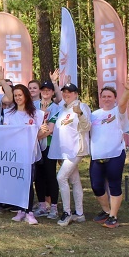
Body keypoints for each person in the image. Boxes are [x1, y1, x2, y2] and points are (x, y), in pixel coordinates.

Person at [89, 76, 129, 229]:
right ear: (100, 98)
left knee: (114, 185)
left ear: (114, 98)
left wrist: (127, 90)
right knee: (96, 186)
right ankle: (106, 211)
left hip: (115, 154)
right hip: (97, 156)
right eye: (104, 96)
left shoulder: (118, 112)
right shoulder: (94, 114)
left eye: (110, 96)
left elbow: (123, 104)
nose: (106, 99)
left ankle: (113, 216)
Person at [0, 81, 47, 225]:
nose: (18, 98)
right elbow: (6, 133)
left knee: (28, 182)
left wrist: (42, 131)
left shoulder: (37, 114)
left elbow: (40, 134)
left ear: (26, 96)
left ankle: (29, 212)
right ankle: (20, 210)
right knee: (18, 182)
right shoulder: (9, 113)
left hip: (30, 153)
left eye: (20, 95)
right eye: (15, 95)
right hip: (15, 153)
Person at [49, 83, 92, 226]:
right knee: (75, 180)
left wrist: (80, 114)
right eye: (64, 92)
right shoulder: (63, 108)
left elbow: (87, 127)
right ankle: (79, 213)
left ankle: (66, 212)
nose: (66, 94)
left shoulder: (81, 106)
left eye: (70, 92)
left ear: (76, 94)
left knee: (61, 177)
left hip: (76, 148)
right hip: (65, 151)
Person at [32, 81, 62, 219]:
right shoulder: (33, 105)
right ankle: (42, 205)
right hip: (35, 145)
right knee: (38, 176)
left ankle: (54, 207)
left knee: (50, 175)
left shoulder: (56, 108)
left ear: (52, 92)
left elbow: (50, 129)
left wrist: (36, 136)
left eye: (48, 90)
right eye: (43, 90)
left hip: (49, 145)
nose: (45, 92)